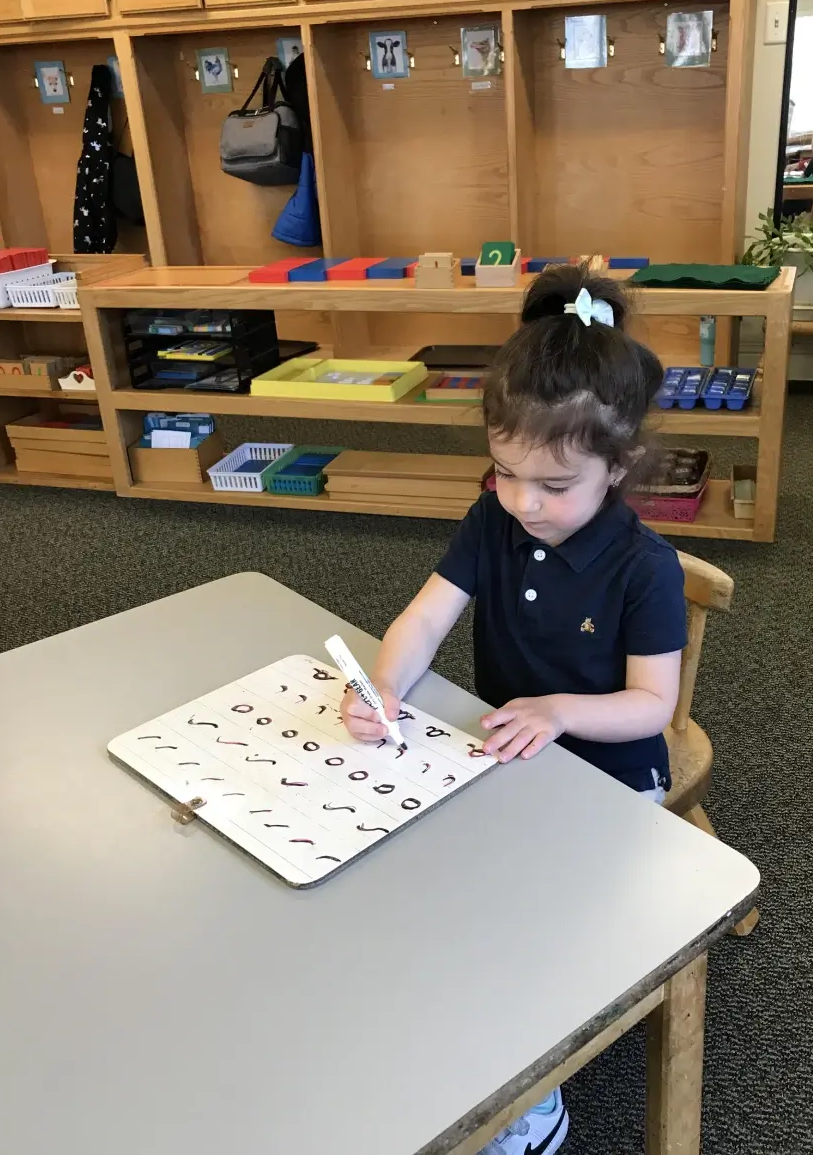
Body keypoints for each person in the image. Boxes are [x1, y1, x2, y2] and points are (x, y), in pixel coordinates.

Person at [341, 266, 688, 1155]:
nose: (526, 502)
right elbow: (424, 618)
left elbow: (652, 707)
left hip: (610, 777)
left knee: (528, 930)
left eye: (555, 484)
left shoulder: (645, 568)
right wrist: (385, 685)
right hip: (504, 753)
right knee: (427, 887)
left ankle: (532, 1107)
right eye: (505, 472)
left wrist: (561, 710)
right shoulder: (493, 519)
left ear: (618, 465)